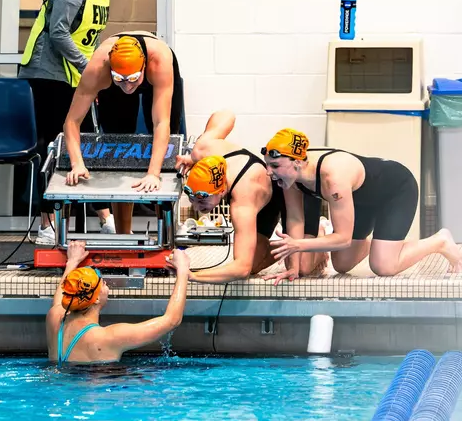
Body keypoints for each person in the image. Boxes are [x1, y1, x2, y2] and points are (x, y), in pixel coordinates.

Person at [261, 128, 462, 285]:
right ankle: (379, 246)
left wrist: (299, 245)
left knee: (383, 266)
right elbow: (296, 219)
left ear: (297, 162)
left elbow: (343, 238)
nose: (269, 172)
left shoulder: (333, 178)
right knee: (341, 265)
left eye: (275, 166)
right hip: (360, 202)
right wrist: (293, 268)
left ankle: (439, 241)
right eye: (268, 165)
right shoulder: (290, 177)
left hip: (395, 191)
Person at [174, 110, 329, 283]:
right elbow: (225, 115)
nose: (196, 208)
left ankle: (319, 237)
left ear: (222, 190)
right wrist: (194, 156)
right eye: (193, 200)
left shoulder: (243, 200)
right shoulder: (202, 149)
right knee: (254, 265)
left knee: (303, 268)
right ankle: (283, 248)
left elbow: (241, 269)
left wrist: (190, 275)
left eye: (202, 201)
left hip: (291, 191)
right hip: (264, 200)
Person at [63, 31, 185, 235]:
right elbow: (71, 121)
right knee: (117, 148)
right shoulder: (98, 69)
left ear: (144, 67)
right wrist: (77, 163)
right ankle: (122, 234)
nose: (127, 86)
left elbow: (160, 123)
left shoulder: (159, 62)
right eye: (121, 79)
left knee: (169, 147)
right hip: (116, 75)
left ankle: (168, 230)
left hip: (155, 65)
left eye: (133, 79)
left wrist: (153, 174)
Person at [19, 0, 115, 245]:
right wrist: (89, 72)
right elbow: (58, 32)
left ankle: (105, 218)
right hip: (49, 72)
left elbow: (89, 38)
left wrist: (92, 78)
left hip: (74, 72)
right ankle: (47, 223)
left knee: (85, 143)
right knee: (54, 146)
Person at [46, 240, 190, 364]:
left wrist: (72, 262)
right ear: (95, 299)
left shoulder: (54, 317)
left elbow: (64, 290)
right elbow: (172, 320)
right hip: (98, 391)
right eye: (103, 284)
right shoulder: (109, 337)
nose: (106, 286)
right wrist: (183, 271)